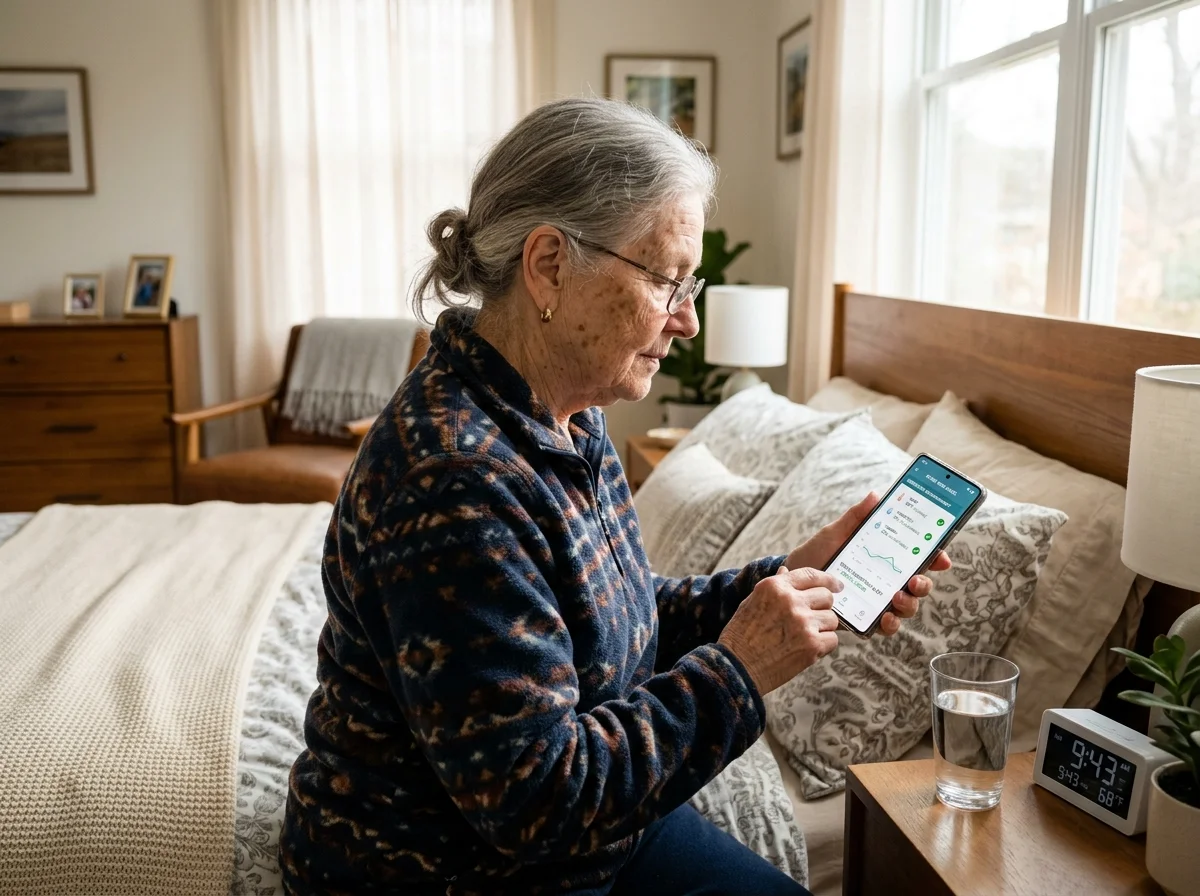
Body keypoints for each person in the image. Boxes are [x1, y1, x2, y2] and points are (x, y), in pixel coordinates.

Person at [279, 97, 948, 896]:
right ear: (549, 265)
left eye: (690, 284)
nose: (687, 321)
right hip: (462, 872)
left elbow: (605, 622)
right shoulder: (455, 478)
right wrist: (740, 669)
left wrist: (778, 580)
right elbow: (537, 802)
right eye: (668, 280)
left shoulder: (566, 411)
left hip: (601, 831)